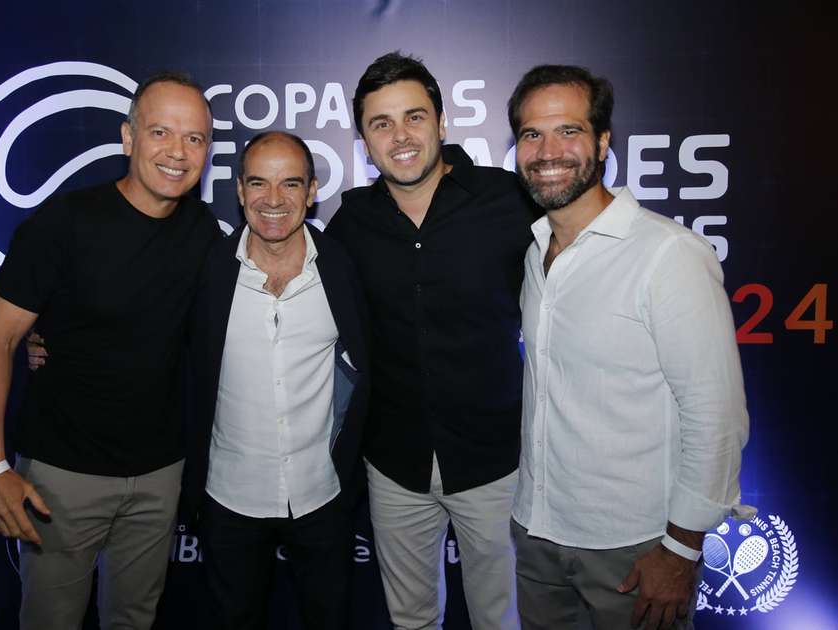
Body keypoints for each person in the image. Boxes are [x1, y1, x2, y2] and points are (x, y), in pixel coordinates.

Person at [0, 72, 222, 629]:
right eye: (160, 132)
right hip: (61, 475)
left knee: (133, 618)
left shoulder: (204, 232)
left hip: (159, 475)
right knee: (50, 620)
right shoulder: (64, 224)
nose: (177, 152)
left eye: (195, 138)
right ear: (128, 138)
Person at [506, 64, 750, 629]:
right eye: (531, 134)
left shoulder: (669, 255)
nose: (548, 151)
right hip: (538, 535)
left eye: (568, 131)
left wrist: (682, 550)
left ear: (603, 141)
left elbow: (717, 418)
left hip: (635, 551)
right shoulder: (534, 251)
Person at [325, 52, 537, 630]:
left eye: (414, 117)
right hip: (395, 466)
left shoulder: (509, 202)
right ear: (364, 140)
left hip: (496, 461)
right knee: (412, 620)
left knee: (504, 619)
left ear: (442, 122)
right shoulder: (350, 223)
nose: (400, 136)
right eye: (381, 123)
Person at [184, 131, 371, 630]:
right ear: (240, 190)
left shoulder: (344, 267)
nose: (273, 200)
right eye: (259, 184)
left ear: (312, 191)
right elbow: (147, 337)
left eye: (290, 184)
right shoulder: (205, 269)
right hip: (229, 496)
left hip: (322, 494)